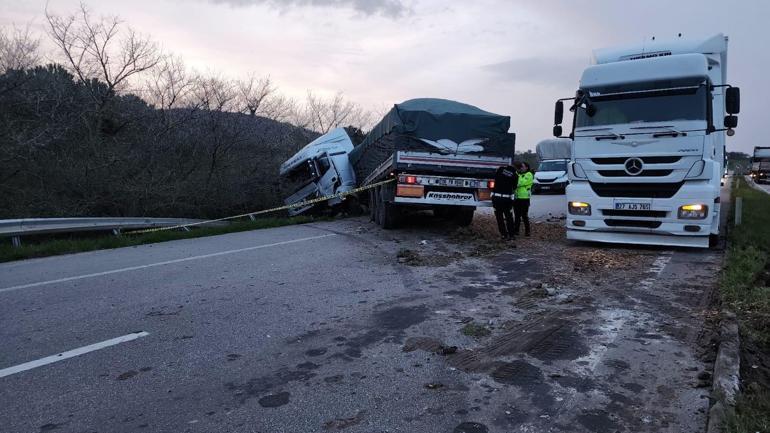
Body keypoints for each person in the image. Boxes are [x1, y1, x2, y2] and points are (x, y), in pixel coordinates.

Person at [491, 163, 517, 241]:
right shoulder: (515, 175)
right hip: (507, 199)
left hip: (496, 198)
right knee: (509, 217)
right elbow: (514, 187)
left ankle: (503, 235)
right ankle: (511, 235)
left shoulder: (499, 170)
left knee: (499, 217)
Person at [514, 161, 534, 236]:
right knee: (517, 215)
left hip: (524, 198)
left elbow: (521, 183)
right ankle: (516, 231)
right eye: (520, 167)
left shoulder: (529, 174)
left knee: (524, 215)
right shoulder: (518, 174)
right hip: (517, 197)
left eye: (522, 166)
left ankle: (527, 231)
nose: (521, 168)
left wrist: (517, 182)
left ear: (526, 167)